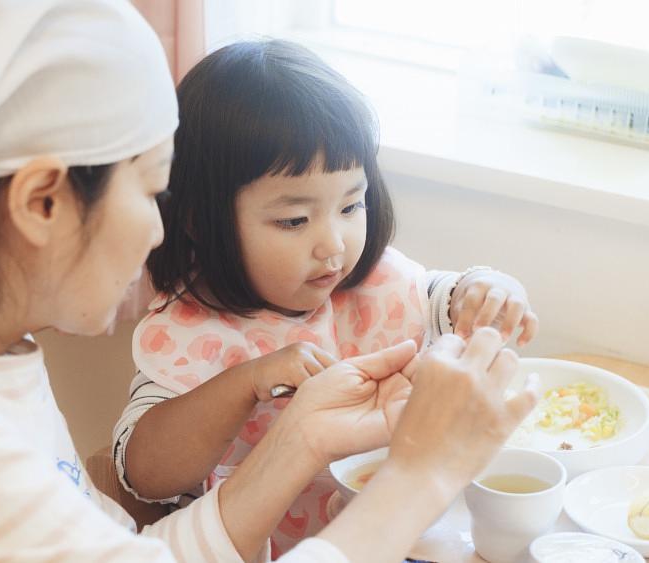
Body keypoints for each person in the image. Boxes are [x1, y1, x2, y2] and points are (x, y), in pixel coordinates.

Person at [0, 1, 536, 562]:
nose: (158, 233)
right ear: (42, 201)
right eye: (150, 191)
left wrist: (303, 437)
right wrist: (422, 472)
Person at [114, 40, 539, 555]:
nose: (333, 245)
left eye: (350, 205)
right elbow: (145, 474)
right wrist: (246, 382)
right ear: (200, 222)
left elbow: (441, 298)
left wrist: (486, 289)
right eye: (294, 219)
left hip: (402, 535)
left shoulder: (371, 281)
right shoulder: (191, 331)